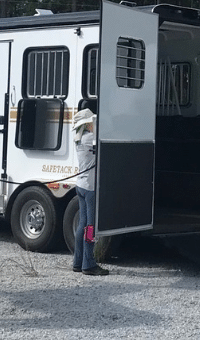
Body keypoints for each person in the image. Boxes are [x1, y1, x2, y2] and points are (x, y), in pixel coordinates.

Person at [71, 108, 109, 276]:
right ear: (87, 124)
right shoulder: (90, 138)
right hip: (91, 188)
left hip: (81, 185)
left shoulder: (79, 139)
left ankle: (77, 262)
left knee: (82, 225)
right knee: (90, 227)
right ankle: (89, 264)